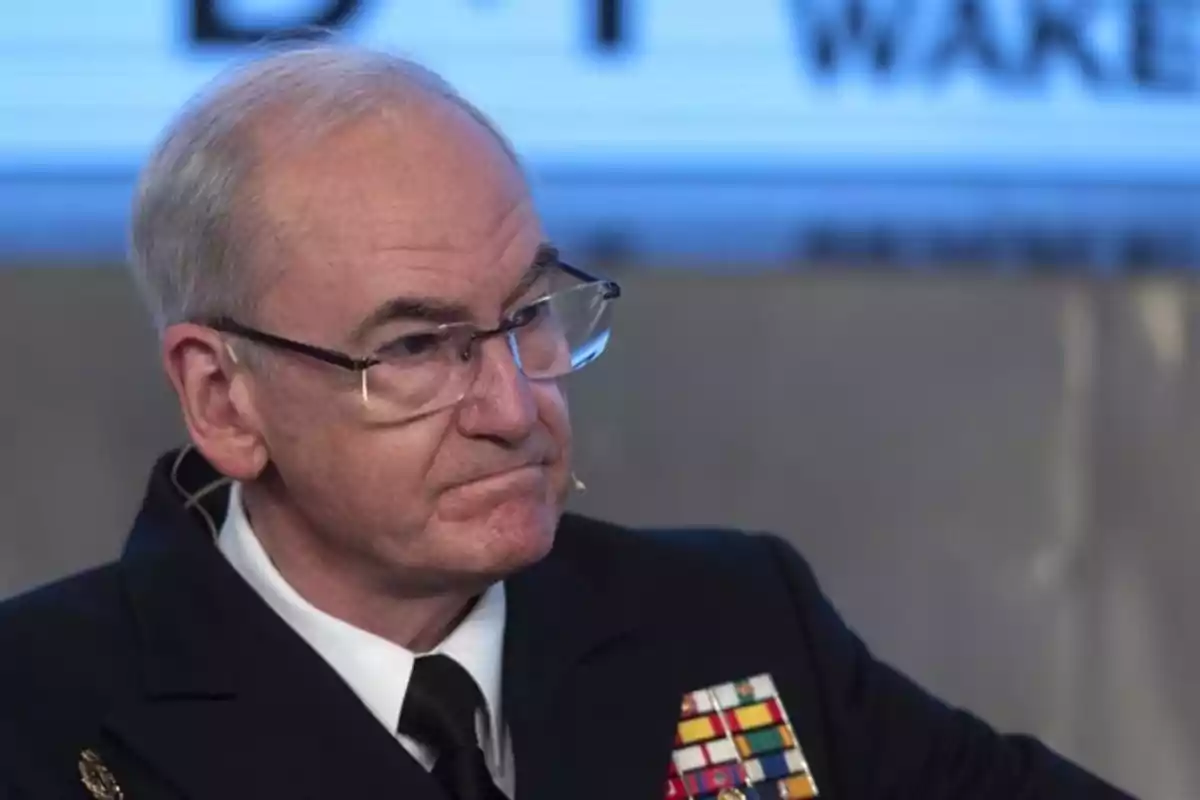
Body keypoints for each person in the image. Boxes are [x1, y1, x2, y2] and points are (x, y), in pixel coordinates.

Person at [0, 46, 1133, 800]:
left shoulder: (734, 624)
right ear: (223, 399)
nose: (515, 405)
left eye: (529, 314)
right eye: (411, 348)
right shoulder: (39, 715)